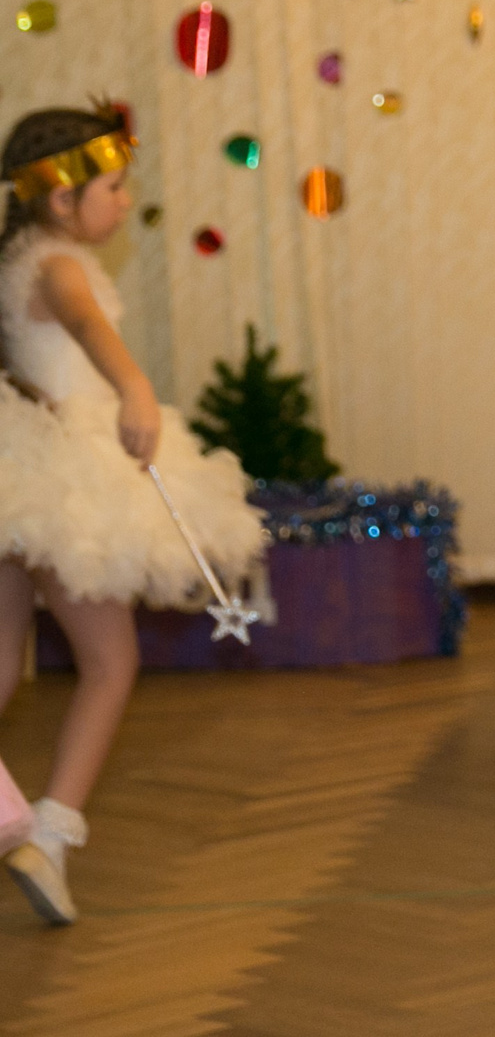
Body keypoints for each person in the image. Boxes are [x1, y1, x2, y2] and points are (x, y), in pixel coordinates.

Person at [0, 105, 266, 925]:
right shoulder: (59, 266)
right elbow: (82, 323)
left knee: (3, 667)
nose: (123, 202)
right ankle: (50, 833)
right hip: (67, 475)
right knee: (111, 662)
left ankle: (32, 827)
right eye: (112, 188)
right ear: (60, 201)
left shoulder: (17, 259)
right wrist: (136, 386)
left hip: (21, 465)